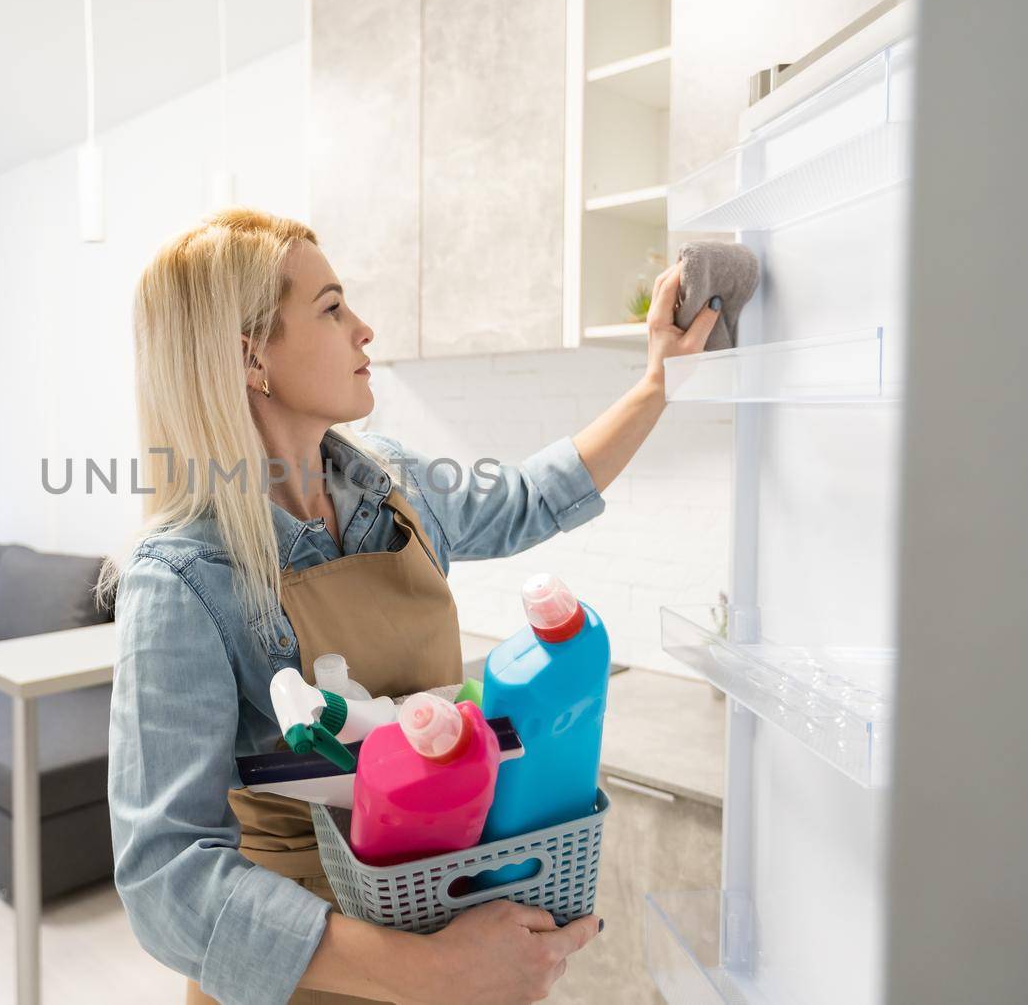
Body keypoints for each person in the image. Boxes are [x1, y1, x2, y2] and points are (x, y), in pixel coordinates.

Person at [100, 207, 719, 1005]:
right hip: (314, 979)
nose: (364, 328)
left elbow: (526, 498)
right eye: (330, 307)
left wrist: (656, 382)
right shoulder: (181, 577)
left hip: (457, 931)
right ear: (251, 354)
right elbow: (165, 876)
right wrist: (430, 972)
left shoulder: (389, 480)